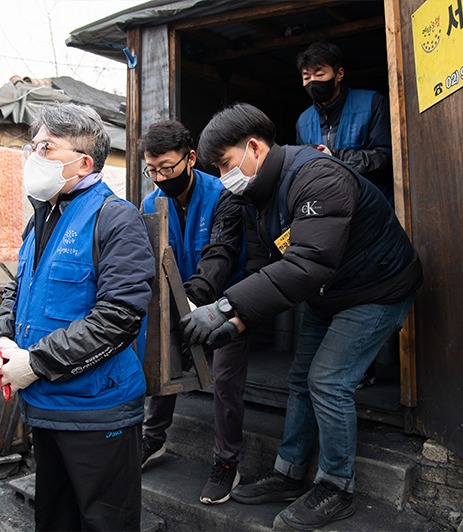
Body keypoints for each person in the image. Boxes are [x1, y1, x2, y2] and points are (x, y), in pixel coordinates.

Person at [182, 103, 423, 530]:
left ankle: (336, 486)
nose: (223, 178)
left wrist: (222, 306)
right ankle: (289, 472)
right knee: (301, 378)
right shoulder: (256, 197)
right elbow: (265, 271)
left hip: (378, 287)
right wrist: (235, 323)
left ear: (253, 148)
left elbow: (307, 263)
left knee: (328, 380)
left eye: (224, 165)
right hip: (328, 292)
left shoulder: (317, 176)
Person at [0, 103, 155, 531]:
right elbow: (18, 288)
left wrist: (35, 362)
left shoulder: (114, 217)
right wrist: (1, 339)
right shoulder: (41, 217)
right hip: (44, 405)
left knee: (104, 521)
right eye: (31, 147)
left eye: (45, 147)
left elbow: (118, 317)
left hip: (97, 409)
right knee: (55, 518)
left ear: (83, 162)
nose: (32, 157)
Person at [137, 120, 248, 505]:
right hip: (177, 299)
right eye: (152, 170)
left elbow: (223, 253)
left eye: (167, 167)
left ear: (191, 158)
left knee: (225, 375)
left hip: (227, 300)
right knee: (162, 356)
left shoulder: (223, 194)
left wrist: (197, 301)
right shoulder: (150, 203)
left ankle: (227, 462)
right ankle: (153, 438)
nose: (160, 176)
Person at [295, 41, 394, 205]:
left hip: (370, 206)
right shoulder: (303, 121)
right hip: (330, 210)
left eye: (319, 75)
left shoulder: (371, 103)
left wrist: (333, 156)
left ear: (339, 74)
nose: (313, 82)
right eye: (307, 77)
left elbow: (384, 158)